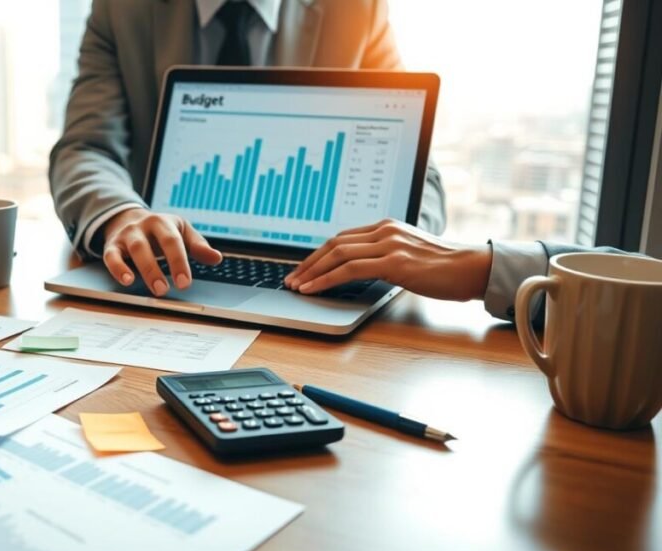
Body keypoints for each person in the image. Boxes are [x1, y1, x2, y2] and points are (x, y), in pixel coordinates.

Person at [49, 0, 626, 324]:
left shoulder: (356, 9)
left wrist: (395, 250)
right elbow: (85, 146)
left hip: (314, 279)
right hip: (162, 284)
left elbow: (419, 173)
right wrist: (121, 215)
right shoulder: (121, 9)